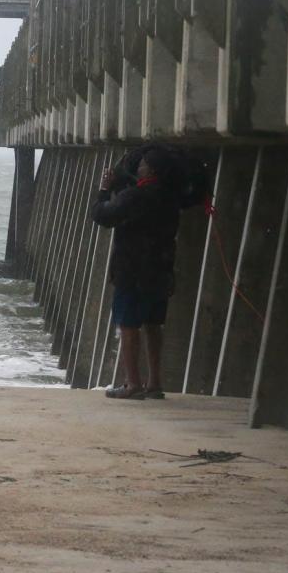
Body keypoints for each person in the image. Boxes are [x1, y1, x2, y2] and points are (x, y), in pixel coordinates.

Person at [91, 144, 188, 400]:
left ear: (151, 169)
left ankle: (132, 383)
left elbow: (103, 215)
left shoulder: (136, 196)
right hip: (161, 269)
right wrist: (121, 186)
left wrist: (104, 190)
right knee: (154, 324)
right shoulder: (169, 197)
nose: (139, 166)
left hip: (132, 271)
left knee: (129, 325)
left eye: (143, 164)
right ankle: (154, 383)